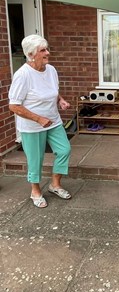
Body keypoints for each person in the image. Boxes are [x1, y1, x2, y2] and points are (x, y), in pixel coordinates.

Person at [9, 35, 72, 208]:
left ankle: (55, 185)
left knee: (64, 150)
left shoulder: (50, 69)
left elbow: (52, 90)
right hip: (32, 126)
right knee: (36, 159)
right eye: (43, 50)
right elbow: (14, 106)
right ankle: (35, 190)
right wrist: (38, 118)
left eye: (47, 49)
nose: (48, 53)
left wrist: (60, 100)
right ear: (31, 54)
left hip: (53, 120)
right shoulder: (23, 75)